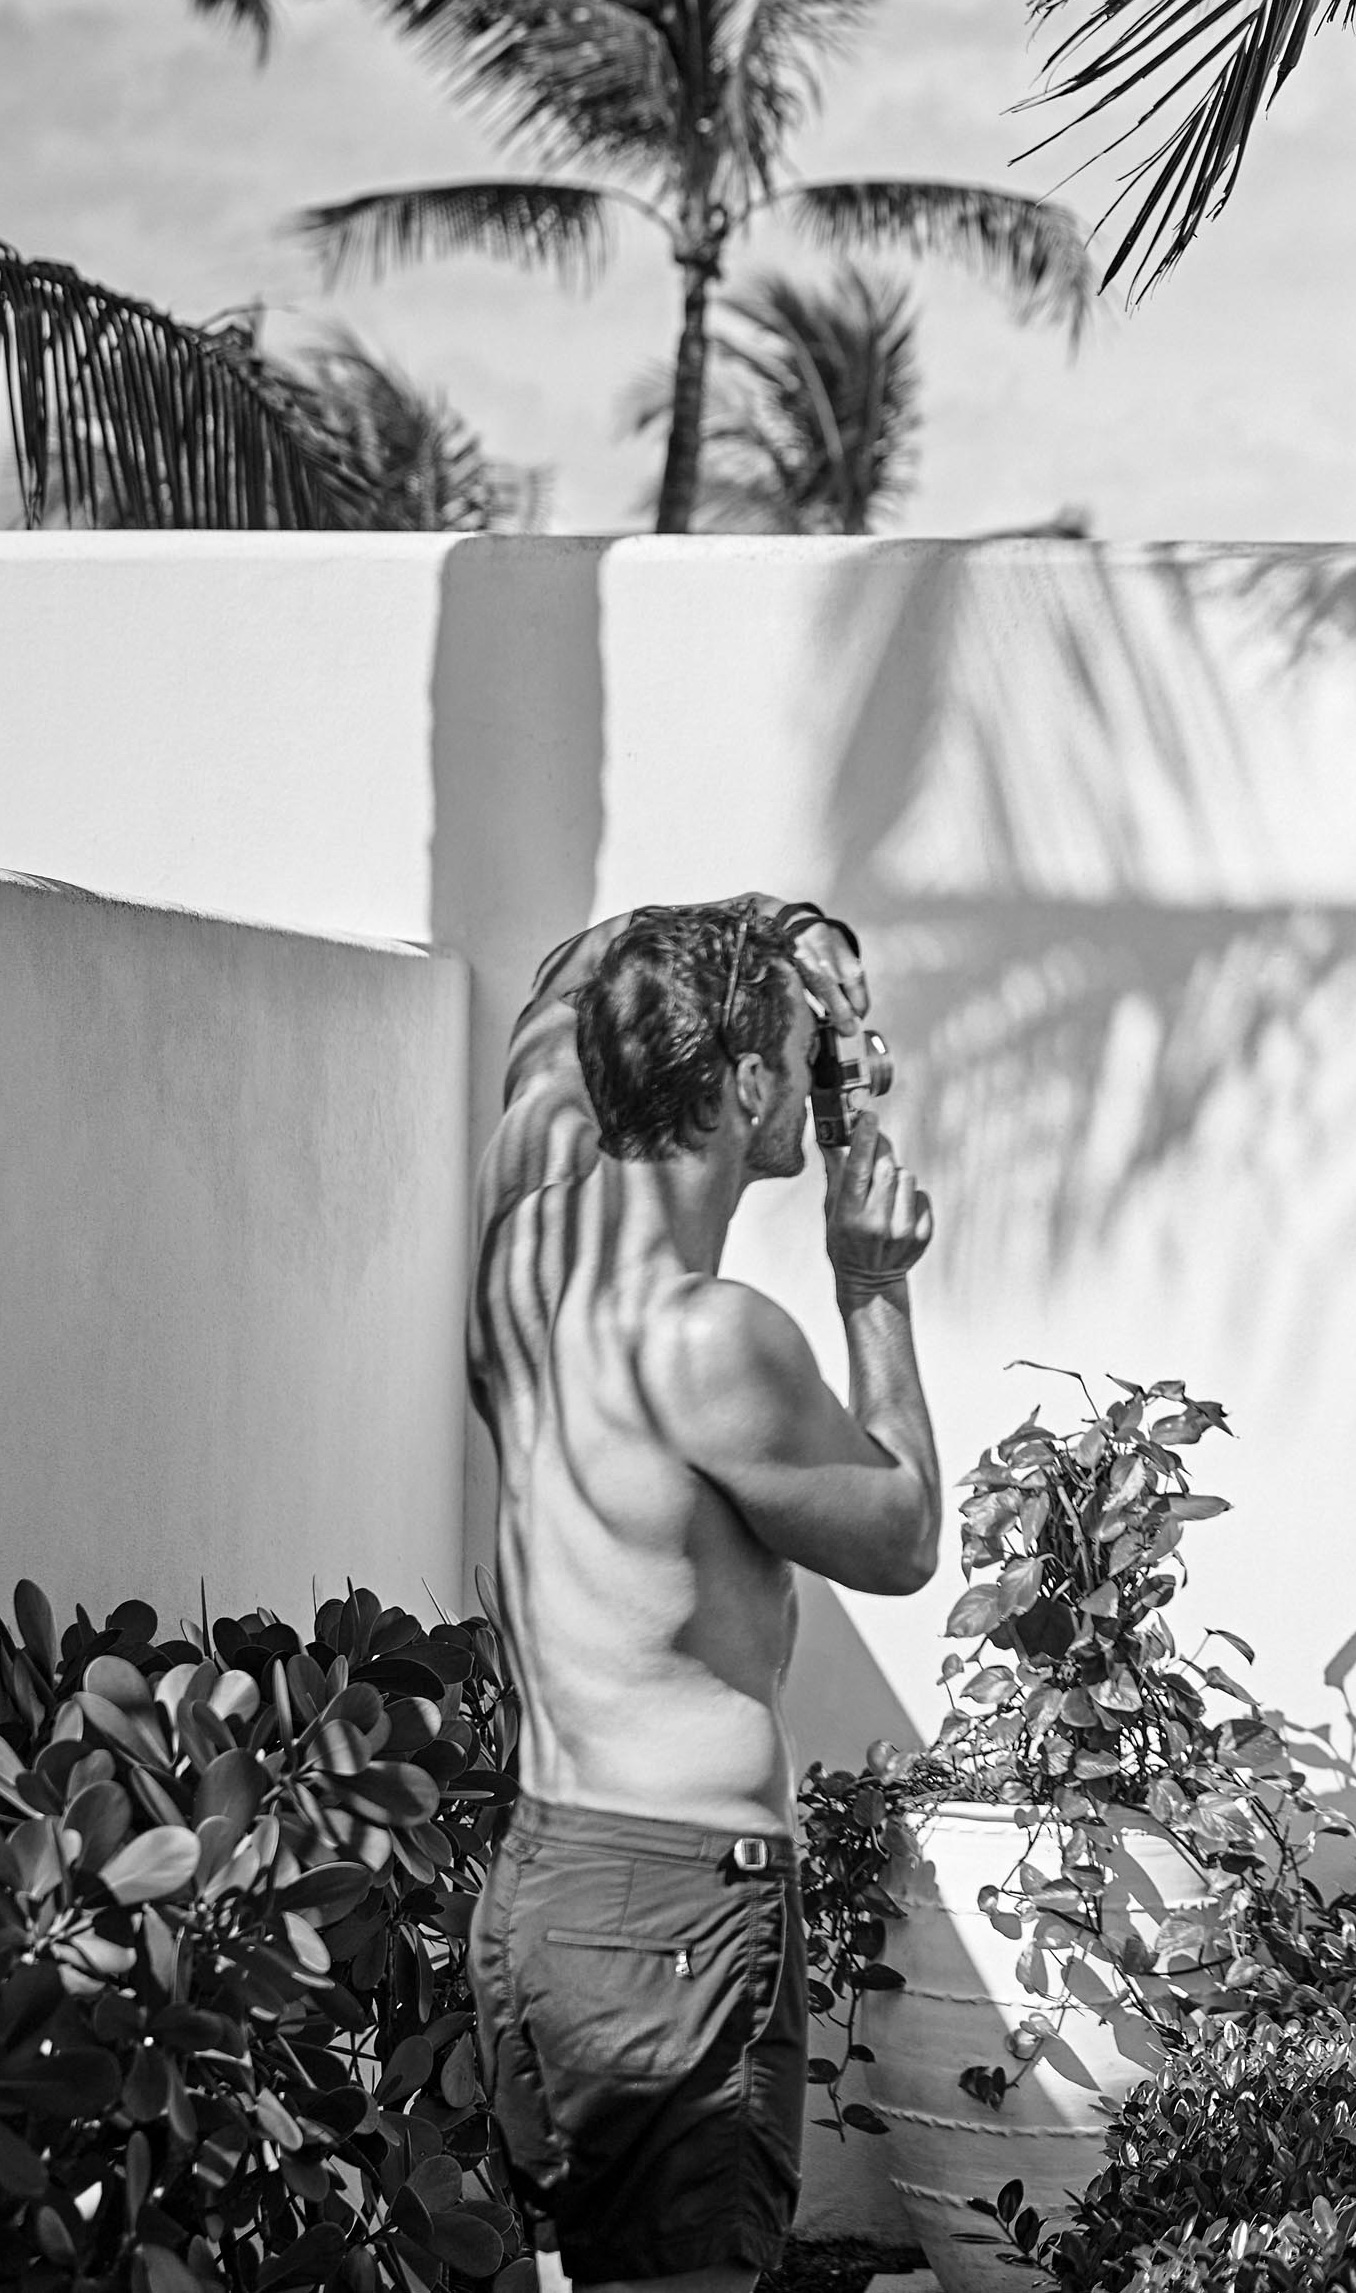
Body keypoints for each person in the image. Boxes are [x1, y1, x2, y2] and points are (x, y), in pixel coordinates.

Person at [463, 896, 942, 2293]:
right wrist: (871, 1282)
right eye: (800, 1059)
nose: (819, 1083)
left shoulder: (523, 1256)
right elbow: (902, 1536)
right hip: (679, 1915)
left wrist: (780, 936)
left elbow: (568, 983)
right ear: (743, 1085)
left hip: (546, 1899)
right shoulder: (713, 1341)